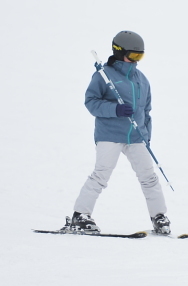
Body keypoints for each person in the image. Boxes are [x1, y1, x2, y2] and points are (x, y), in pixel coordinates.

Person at [67, 30, 171, 235]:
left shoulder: (142, 79)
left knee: (149, 177)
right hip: (110, 134)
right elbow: (91, 103)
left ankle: (159, 217)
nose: (135, 61)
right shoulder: (103, 76)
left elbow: (146, 111)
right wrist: (115, 109)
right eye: (133, 56)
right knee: (101, 174)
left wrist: (147, 135)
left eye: (139, 56)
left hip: (136, 136)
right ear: (119, 52)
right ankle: (80, 216)